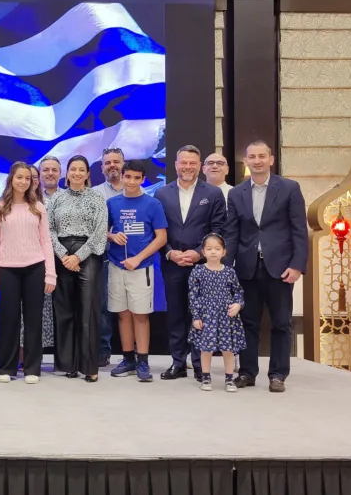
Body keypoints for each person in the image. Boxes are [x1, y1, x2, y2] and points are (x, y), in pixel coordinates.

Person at [224, 140, 307, 392]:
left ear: (271, 159)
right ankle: (247, 372)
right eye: (252, 157)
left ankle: (278, 375)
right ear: (246, 161)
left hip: (280, 268)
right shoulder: (236, 193)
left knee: (281, 323)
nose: (257, 161)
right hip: (246, 269)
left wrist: (297, 265)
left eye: (262, 156)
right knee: (247, 322)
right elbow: (232, 234)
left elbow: (299, 231)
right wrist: (227, 270)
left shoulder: (290, 188)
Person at [153, 145, 226, 381]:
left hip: (202, 266)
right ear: (175, 165)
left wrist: (198, 254)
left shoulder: (213, 194)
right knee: (175, 314)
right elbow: (156, 230)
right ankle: (177, 363)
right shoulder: (162, 194)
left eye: (192, 163)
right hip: (172, 262)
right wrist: (170, 252)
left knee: (200, 314)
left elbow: (218, 229)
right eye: (183, 162)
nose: (187, 167)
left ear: (199, 165)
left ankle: (199, 364)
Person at [0, 162, 56, 383]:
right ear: (11, 179)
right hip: (7, 269)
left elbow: (46, 241)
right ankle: (6, 367)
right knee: (9, 319)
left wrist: (50, 273)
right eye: (19, 177)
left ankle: (32, 368)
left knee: (33, 320)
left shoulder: (38, 207)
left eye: (27, 178)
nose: (24, 182)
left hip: (35, 267)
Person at [104, 160, 168, 383]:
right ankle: (128, 358)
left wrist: (138, 258)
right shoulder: (112, 203)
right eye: (127, 176)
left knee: (140, 315)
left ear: (143, 179)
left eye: (136, 178)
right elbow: (103, 231)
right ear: (122, 176)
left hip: (141, 268)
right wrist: (111, 236)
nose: (131, 181)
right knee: (123, 314)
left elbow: (161, 237)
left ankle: (143, 360)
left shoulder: (152, 204)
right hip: (116, 265)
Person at [48, 155, 108, 381]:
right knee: (65, 310)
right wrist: (63, 254)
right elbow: (49, 229)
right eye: (73, 169)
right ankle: (69, 364)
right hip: (61, 255)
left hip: (89, 254)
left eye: (81, 169)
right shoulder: (56, 199)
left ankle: (90, 366)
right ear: (67, 172)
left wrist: (78, 256)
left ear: (87, 174)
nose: (76, 173)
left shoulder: (96, 198)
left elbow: (101, 231)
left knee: (88, 311)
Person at [189, 233, 245, 393]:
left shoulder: (229, 272)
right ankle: (205, 376)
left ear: (224, 252)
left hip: (226, 317)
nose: (213, 252)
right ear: (203, 252)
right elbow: (193, 295)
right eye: (209, 248)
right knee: (206, 349)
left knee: (228, 349)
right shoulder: (198, 271)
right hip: (207, 317)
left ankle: (229, 378)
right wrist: (196, 316)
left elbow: (238, 292)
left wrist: (238, 305)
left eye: (217, 248)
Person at [92, 147, 125, 368]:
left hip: (132, 258)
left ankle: (131, 353)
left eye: (116, 161)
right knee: (103, 305)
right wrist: (110, 236)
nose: (112, 165)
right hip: (103, 256)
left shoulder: (137, 190)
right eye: (107, 162)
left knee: (131, 307)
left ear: (123, 164)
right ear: (102, 167)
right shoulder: (94, 193)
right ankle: (104, 350)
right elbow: (89, 228)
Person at [39, 156, 63, 357]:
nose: (50, 173)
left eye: (54, 169)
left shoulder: (67, 197)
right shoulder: (31, 198)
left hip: (65, 259)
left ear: (60, 173)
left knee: (63, 307)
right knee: (41, 308)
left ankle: (63, 356)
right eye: (46, 169)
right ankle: (34, 352)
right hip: (38, 261)